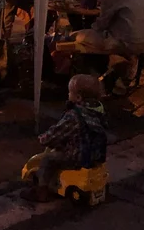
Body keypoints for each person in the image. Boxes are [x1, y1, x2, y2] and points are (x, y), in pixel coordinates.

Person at [22, 74, 108, 202]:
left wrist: (44, 138)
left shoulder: (74, 116)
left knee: (47, 159)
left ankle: (41, 191)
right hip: (94, 155)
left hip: (76, 155)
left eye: (70, 93)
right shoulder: (98, 110)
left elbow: (58, 132)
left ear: (78, 97)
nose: (68, 95)